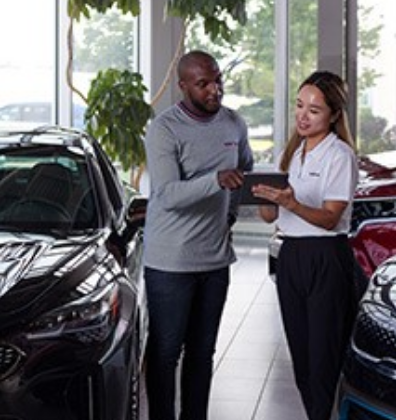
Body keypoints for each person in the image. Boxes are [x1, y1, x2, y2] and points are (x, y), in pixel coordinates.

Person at [142, 50, 254, 420]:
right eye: (204, 84)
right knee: (165, 352)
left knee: (202, 352)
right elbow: (167, 195)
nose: (215, 90)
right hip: (170, 261)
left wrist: (232, 212)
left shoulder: (234, 124)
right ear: (184, 86)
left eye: (218, 80)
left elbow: (245, 171)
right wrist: (215, 180)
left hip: (215, 259)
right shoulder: (164, 129)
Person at [252, 70, 358, 420]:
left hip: (326, 257)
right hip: (291, 256)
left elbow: (330, 218)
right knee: (300, 355)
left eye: (314, 110)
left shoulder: (339, 155)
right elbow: (270, 217)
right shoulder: (293, 155)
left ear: (333, 115)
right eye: (299, 106)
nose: (303, 115)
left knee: (322, 357)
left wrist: (293, 203)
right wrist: (262, 197)